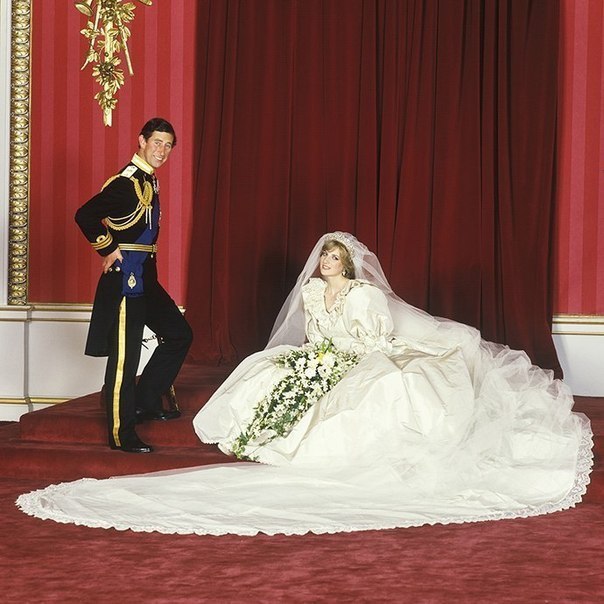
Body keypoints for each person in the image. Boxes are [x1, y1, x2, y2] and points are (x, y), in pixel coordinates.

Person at [17, 232, 592, 536]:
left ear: (350, 264)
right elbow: (313, 331)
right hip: (321, 355)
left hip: (357, 354)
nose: (328, 267)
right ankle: (261, 429)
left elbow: (371, 341)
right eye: (324, 260)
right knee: (264, 370)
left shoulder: (366, 296)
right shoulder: (315, 294)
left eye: (336, 260)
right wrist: (312, 358)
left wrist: (336, 360)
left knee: (374, 389)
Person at [74, 117, 193, 453]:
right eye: (157, 142)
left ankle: (143, 401)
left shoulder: (149, 180)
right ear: (141, 141)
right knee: (125, 360)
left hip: (146, 276)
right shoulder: (126, 182)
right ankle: (121, 433)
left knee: (180, 333)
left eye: (168, 145)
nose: (163, 150)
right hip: (126, 279)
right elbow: (84, 214)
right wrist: (107, 247)